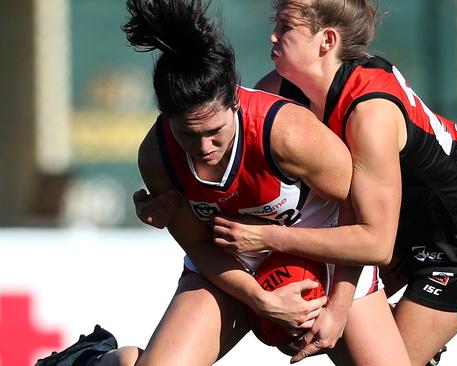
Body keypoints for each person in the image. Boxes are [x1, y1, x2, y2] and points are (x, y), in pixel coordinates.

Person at [135, 0, 457, 365]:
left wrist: (289, 259)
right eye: (275, 22)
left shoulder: (368, 114)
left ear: (327, 41)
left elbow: (373, 240)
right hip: (386, 223)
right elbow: (237, 183)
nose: (272, 35)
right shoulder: (273, 93)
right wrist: (172, 205)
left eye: (286, 26)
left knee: (373, 350)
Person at [37, 0, 410, 365]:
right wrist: (260, 299)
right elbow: (200, 246)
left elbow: (357, 212)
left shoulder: (288, 133)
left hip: (323, 256)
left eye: (215, 132)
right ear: (166, 118)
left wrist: (339, 307)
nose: (204, 148)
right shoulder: (157, 156)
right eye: (187, 134)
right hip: (234, 266)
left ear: (234, 99)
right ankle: (95, 359)